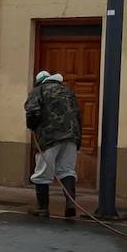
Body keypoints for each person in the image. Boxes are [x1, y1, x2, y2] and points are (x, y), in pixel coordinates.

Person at [24, 70, 82, 218]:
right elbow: (78, 114)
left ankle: (43, 208)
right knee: (67, 171)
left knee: (42, 173)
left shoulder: (39, 91)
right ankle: (70, 205)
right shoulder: (68, 91)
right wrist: (78, 139)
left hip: (49, 137)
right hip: (71, 137)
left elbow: (32, 111)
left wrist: (32, 125)